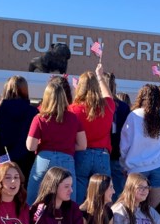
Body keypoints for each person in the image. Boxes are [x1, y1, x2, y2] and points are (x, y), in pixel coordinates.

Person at [25, 78, 86, 204]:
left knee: (33, 199)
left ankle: (33, 222)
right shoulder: (74, 119)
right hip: (67, 159)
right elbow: (82, 145)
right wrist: (66, 146)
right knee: (68, 201)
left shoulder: (40, 118)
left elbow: (31, 146)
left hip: (44, 159)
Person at [120, 84, 160, 208]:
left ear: (141, 97)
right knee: (154, 210)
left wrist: (124, 164)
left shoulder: (134, 115)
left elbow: (124, 144)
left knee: (133, 207)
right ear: (159, 99)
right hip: (159, 166)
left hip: (136, 167)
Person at [69, 64, 115, 206]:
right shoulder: (107, 105)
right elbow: (109, 95)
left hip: (82, 153)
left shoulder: (73, 109)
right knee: (103, 198)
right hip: (103, 154)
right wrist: (100, 77)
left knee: (77, 197)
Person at [0, 75, 39, 179]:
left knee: (1, 189)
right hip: (27, 159)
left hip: (2, 157)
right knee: (24, 191)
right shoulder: (33, 112)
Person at [106, 72, 131, 196]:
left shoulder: (96, 105)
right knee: (116, 192)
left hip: (101, 151)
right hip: (117, 153)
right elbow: (128, 134)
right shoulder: (123, 107)